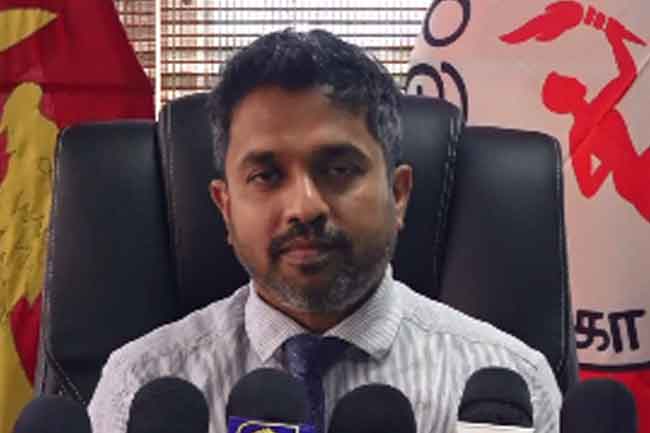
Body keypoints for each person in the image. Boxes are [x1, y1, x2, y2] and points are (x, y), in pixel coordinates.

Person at [88, 29, 561, 433]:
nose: (305, 207)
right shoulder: (140, 386)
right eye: (266, 175)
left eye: (338, 169)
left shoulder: (511, 387)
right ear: (225, 209)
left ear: (398, 194)